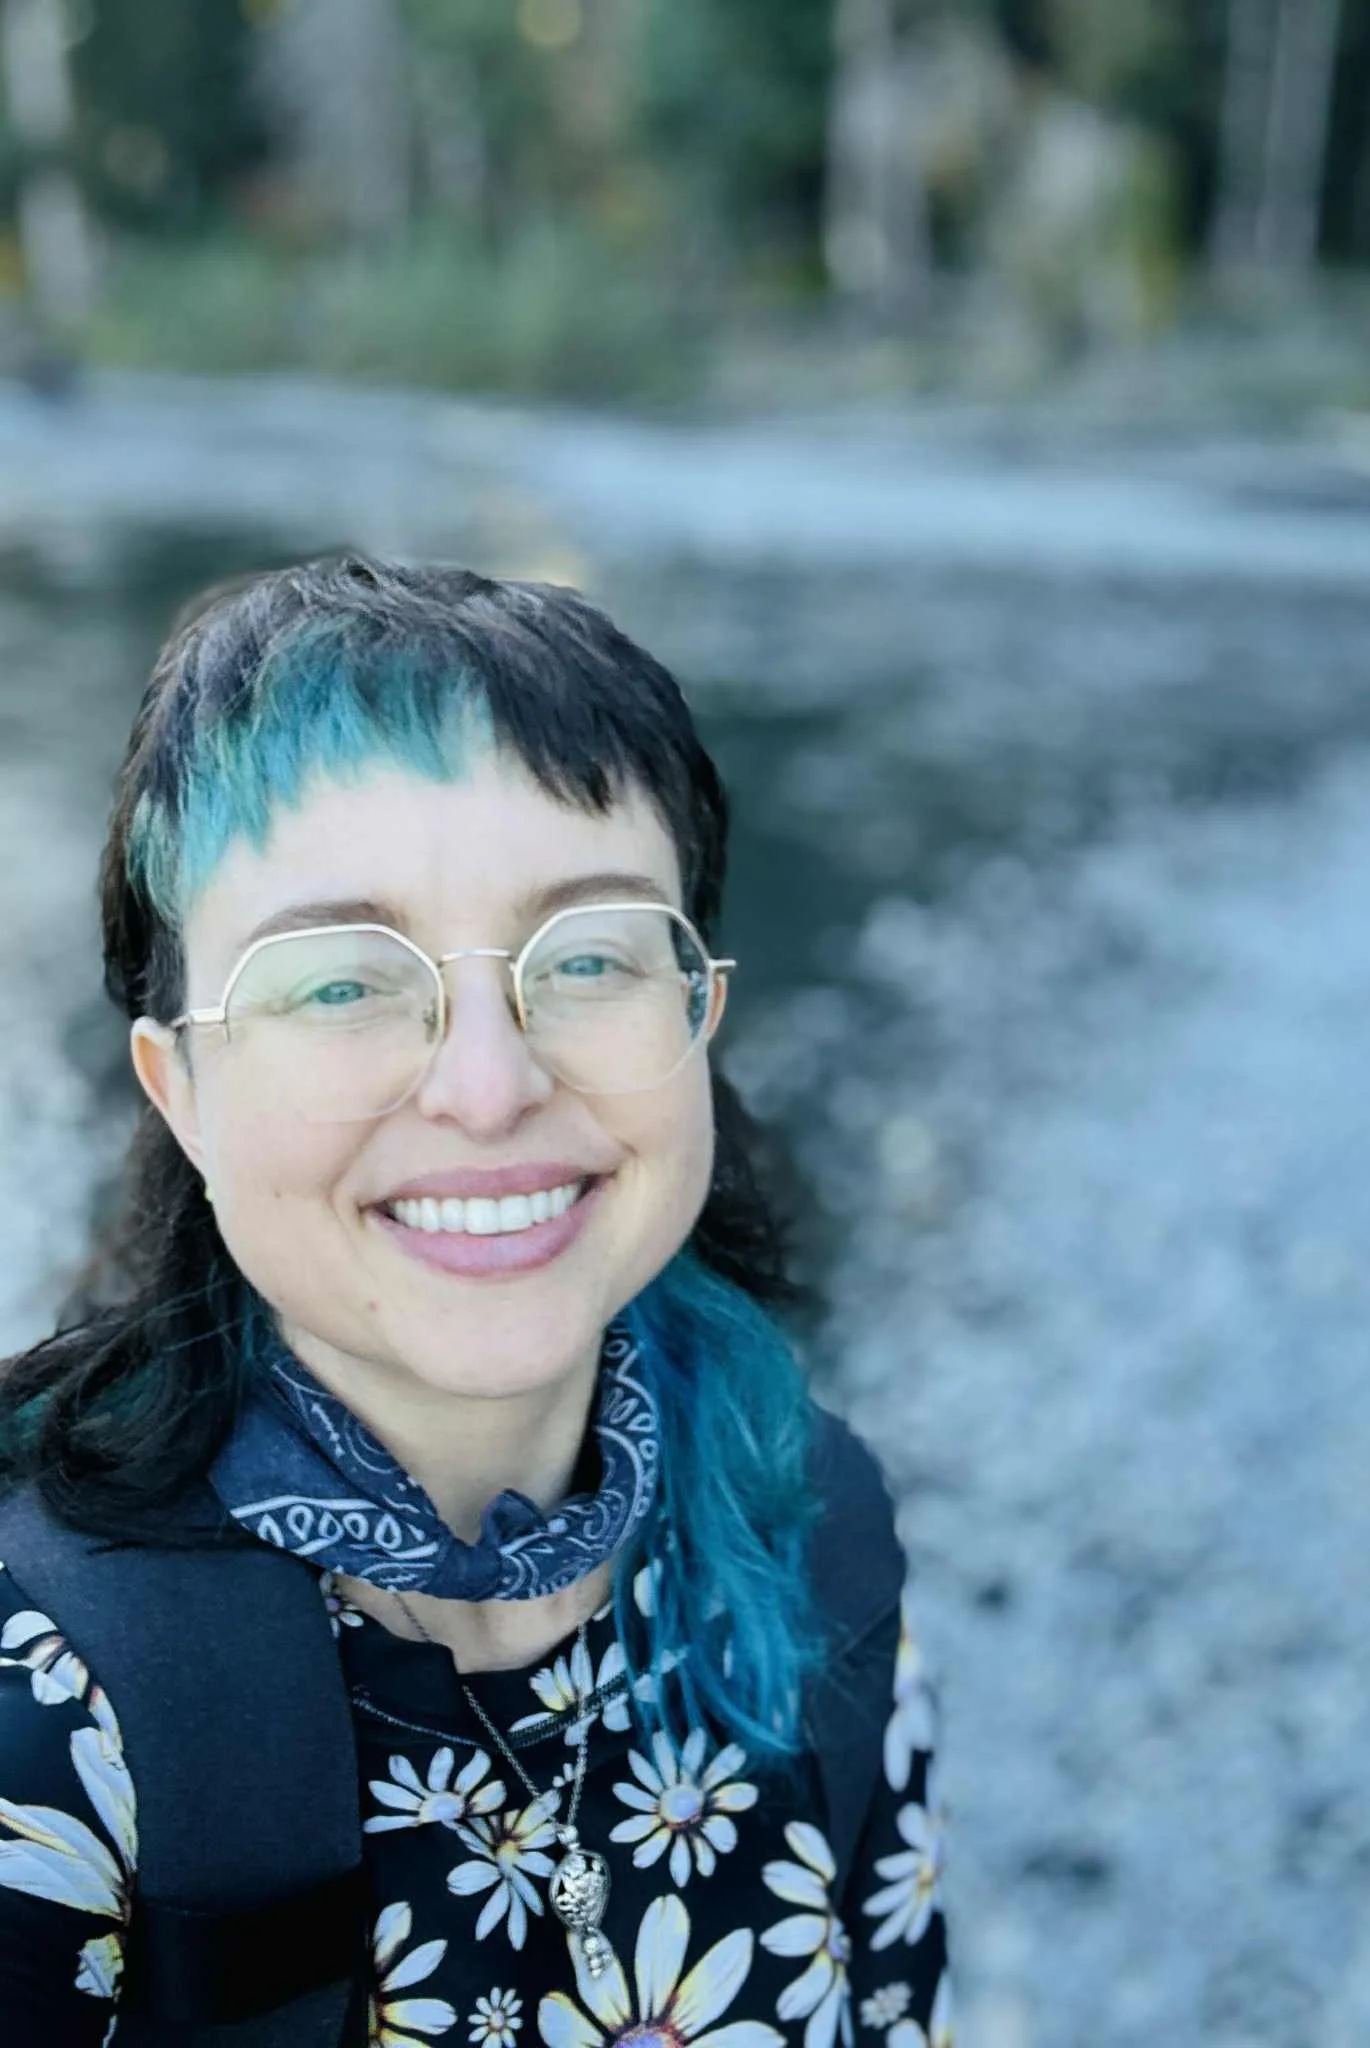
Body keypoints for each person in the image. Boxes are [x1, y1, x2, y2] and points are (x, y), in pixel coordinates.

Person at [0, 558, 949, 2047]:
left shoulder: (811, 1525)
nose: (492, 1087)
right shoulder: (46, 1700)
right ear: (179, 1088)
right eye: (340, 983)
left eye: (586, 957)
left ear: (696, 1010)